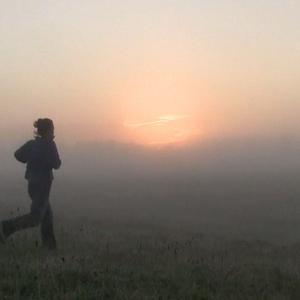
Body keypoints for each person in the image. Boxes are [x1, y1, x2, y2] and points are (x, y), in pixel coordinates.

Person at [0, 118, 61, 249]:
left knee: (47, 215)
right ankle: (5, 227)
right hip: (43, 185)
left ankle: (50, 247)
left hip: (32, 185)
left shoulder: (32, 144)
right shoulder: (50, 145)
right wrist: (46, 161)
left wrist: (31, 159)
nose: (53, 132)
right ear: (48, 131)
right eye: (52, 129)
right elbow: (57, 164)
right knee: (36, 218)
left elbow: (18, 155)